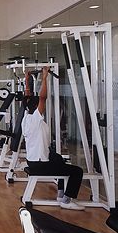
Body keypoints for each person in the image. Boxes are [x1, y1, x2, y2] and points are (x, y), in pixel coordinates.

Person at [22, 67, 84, 210]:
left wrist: (27, 79)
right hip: (39, 164)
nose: (42, 106)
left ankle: (61, 193)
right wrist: (45, 78)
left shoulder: (26, 116)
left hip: (34, 160)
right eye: (39, 104)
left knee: (58, 158)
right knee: (77, 171)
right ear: (37, 106)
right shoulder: (35, 119)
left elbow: (27, 97)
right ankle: (66, 201)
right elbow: (43, 98)